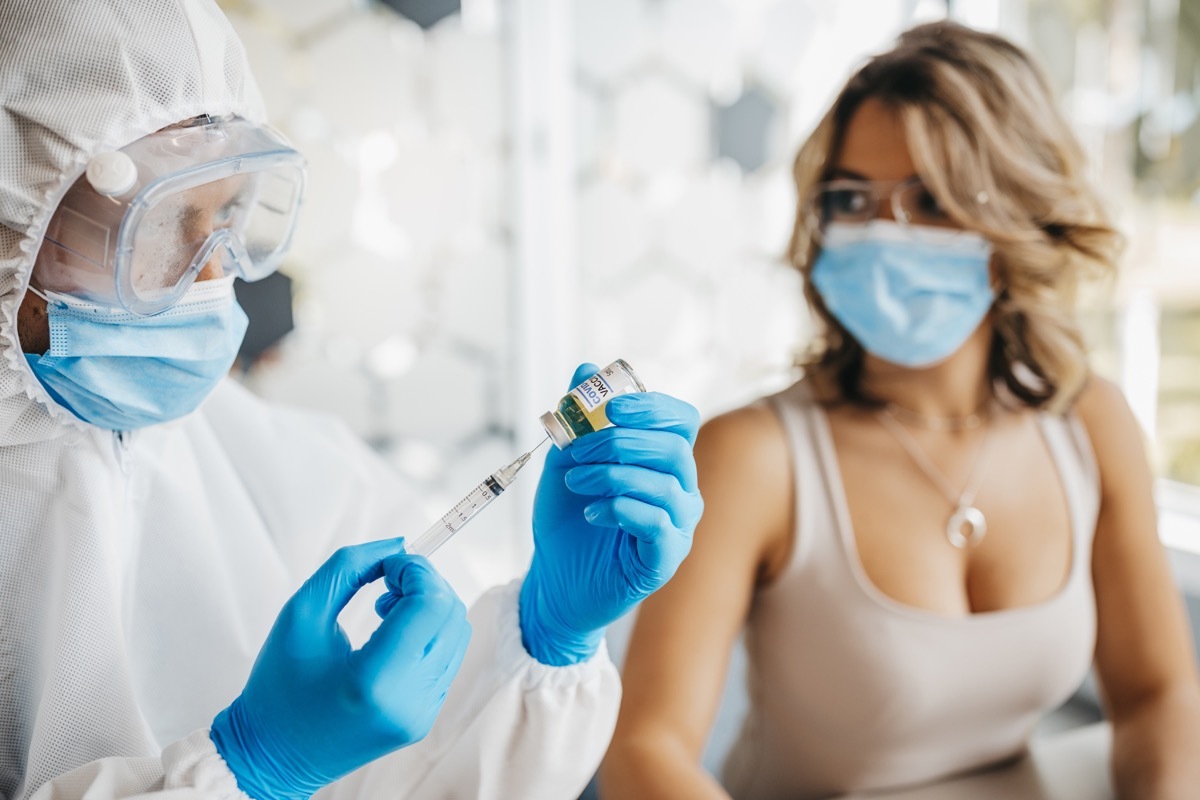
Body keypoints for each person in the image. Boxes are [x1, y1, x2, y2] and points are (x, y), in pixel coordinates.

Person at [0, 2, 703, 800]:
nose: (211, 276)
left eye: (224, 217)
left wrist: (542, 640)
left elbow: (419, 773)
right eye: (162, 225)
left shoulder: (284, 467)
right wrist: (251, 771)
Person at [601, 20, 1200, 800]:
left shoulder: (1091, 425)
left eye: (931, 198)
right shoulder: (754, 455)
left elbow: (1157, 695)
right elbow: (646, 750)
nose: (887, 232)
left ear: (1018, 213)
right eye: (854, 198)